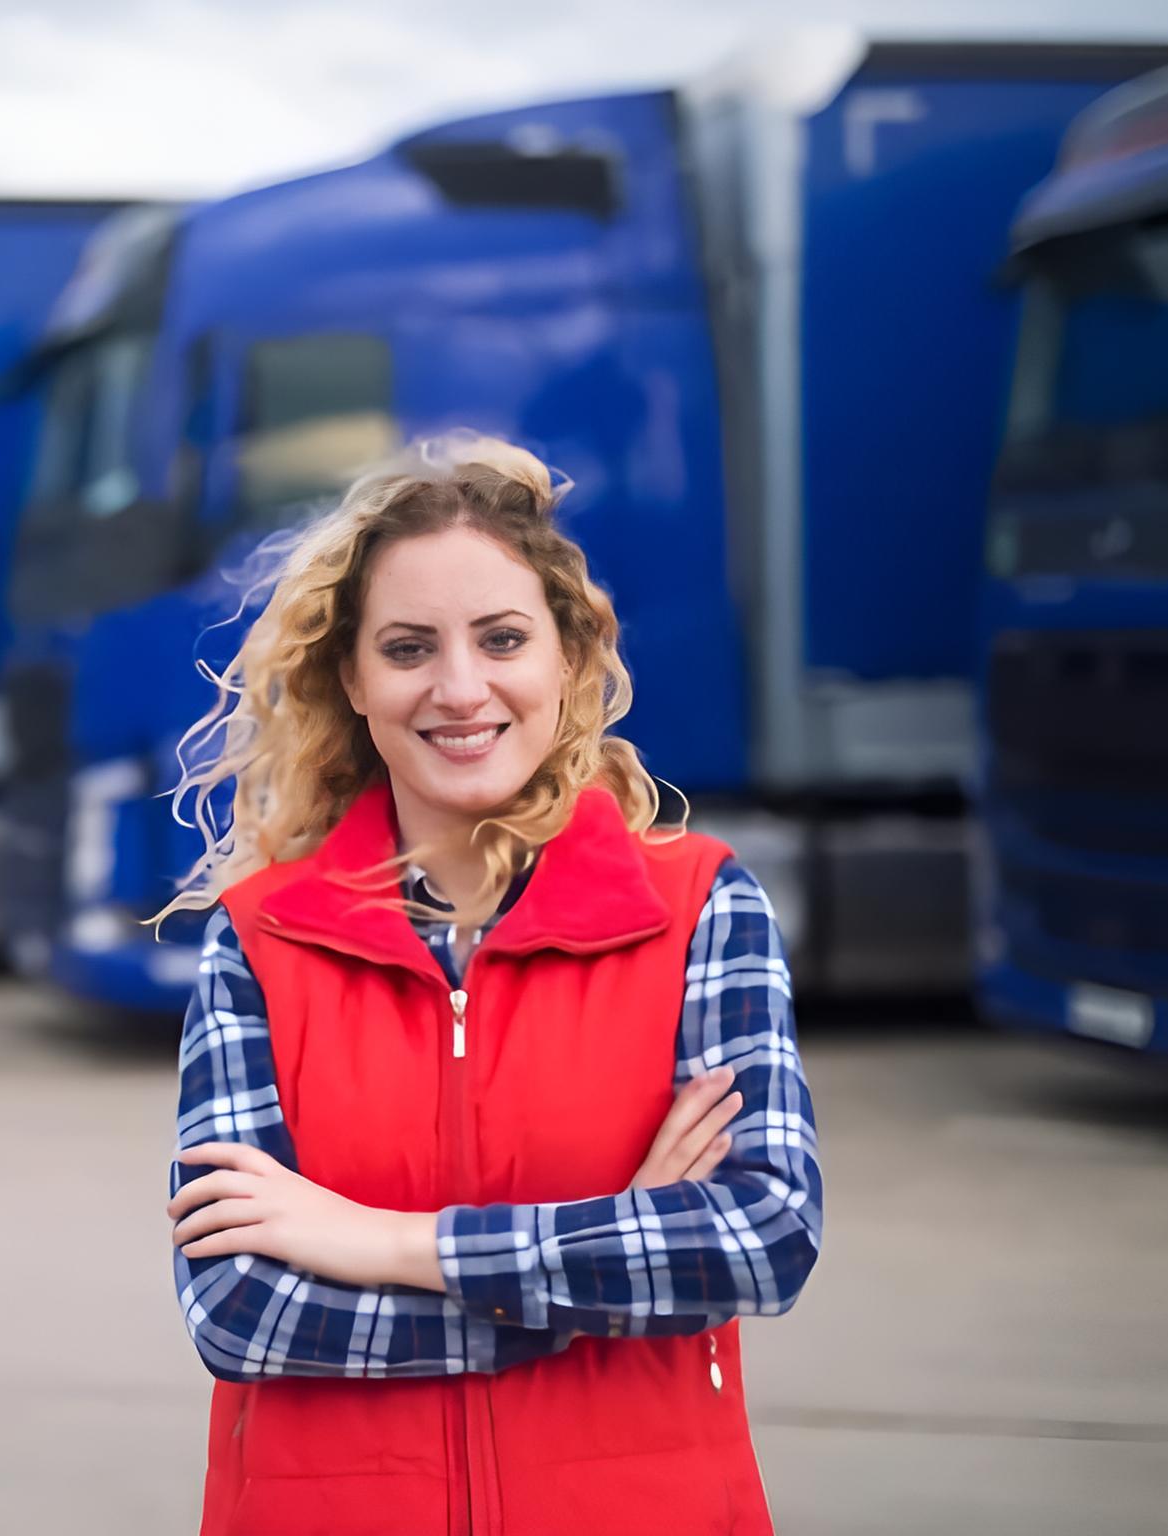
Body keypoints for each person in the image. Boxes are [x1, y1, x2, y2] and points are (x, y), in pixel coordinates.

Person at [157, 434, 822, 1536]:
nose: (459, 688)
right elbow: (242, 1314)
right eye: (409, 647)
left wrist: (382, 1245)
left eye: (502, 639)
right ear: (353, 682)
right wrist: (600, 1273)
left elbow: (761, 1236)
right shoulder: (258, 942)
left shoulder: (699, 908)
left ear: (566, 659)